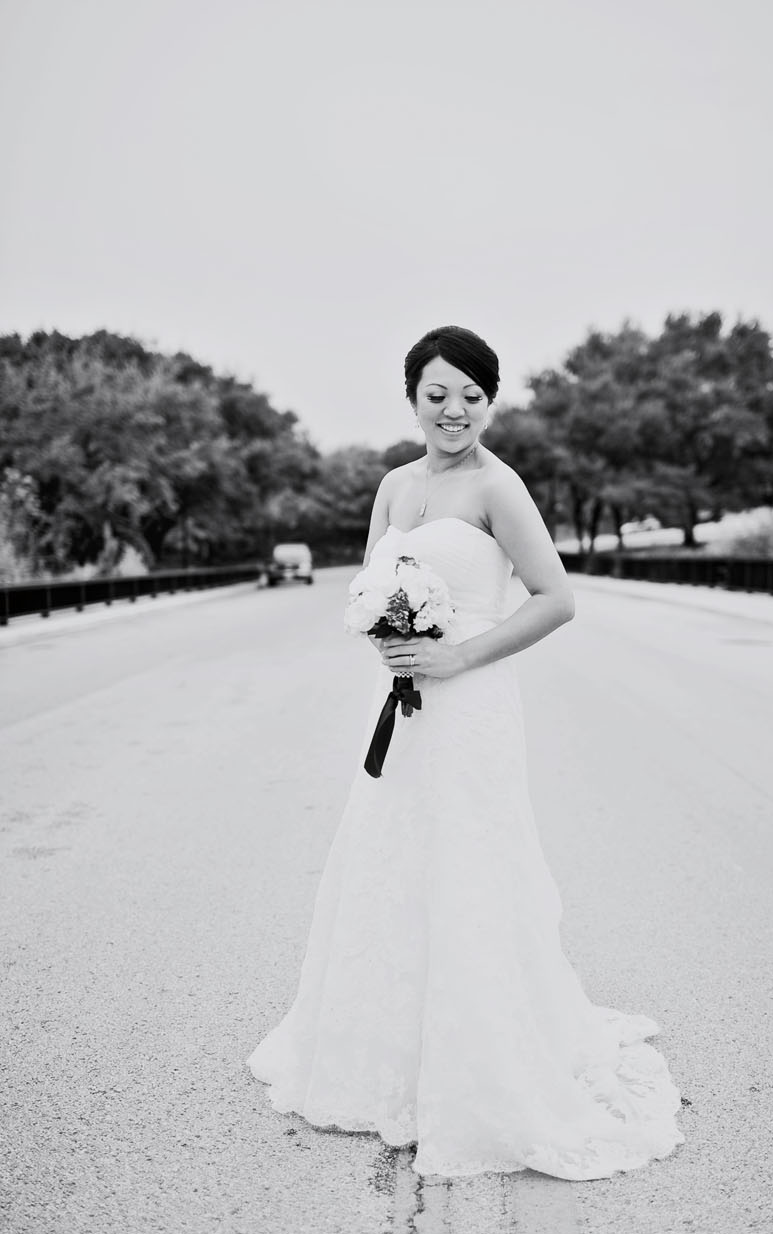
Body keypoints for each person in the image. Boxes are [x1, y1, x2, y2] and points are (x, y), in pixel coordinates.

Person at [246, 325, 685, 1180]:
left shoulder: (499, 487)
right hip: (407, 710)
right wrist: (389, 638)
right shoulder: (393, 486)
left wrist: (455, 656)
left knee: (468, 866)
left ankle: (475, 1063)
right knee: (394, 858)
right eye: (437, 394)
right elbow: (374, 585)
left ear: (489, 401)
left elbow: (555, 599)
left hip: (473, 701)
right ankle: (386, 1059)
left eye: (471, 396)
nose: (454, 411)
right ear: (412, 397)